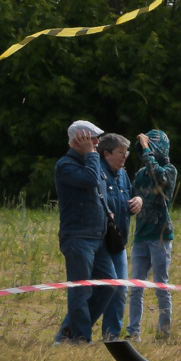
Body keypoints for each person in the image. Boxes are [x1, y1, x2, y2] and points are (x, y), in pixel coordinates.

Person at [53, 120, 115, 345]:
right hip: (77, 237)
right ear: (78, 139)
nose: (97, 143)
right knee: (81, 291)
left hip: (97, 236)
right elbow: (89, 181)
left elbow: (99, 191)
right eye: (92, 138)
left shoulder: (92, 162)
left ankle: (70, 331)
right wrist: (91, 154)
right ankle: (81, 338)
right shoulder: (66, 165)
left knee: (109, 284)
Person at [128, 130, 178, 340]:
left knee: (160, 286)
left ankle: (163, 333)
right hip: (140, 237)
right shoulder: (141, 174)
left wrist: (148, 150)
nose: (145, 151)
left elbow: (160, 178)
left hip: (160, 237)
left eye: (149, 147)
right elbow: (130, 196)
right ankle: (133, 333)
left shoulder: (169, 170)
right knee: (136, 287)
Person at [95, 133, 141, 341]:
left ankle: (111, 337)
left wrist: (138, 201)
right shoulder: (97, 173)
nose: (125, 157)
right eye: (121, 153)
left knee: (120, 289)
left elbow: (128, 199)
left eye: (126, 153)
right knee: (103, 289)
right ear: (106, 154)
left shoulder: (122, 174)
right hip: (99, 242)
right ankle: (77, 330)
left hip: (119, 241)